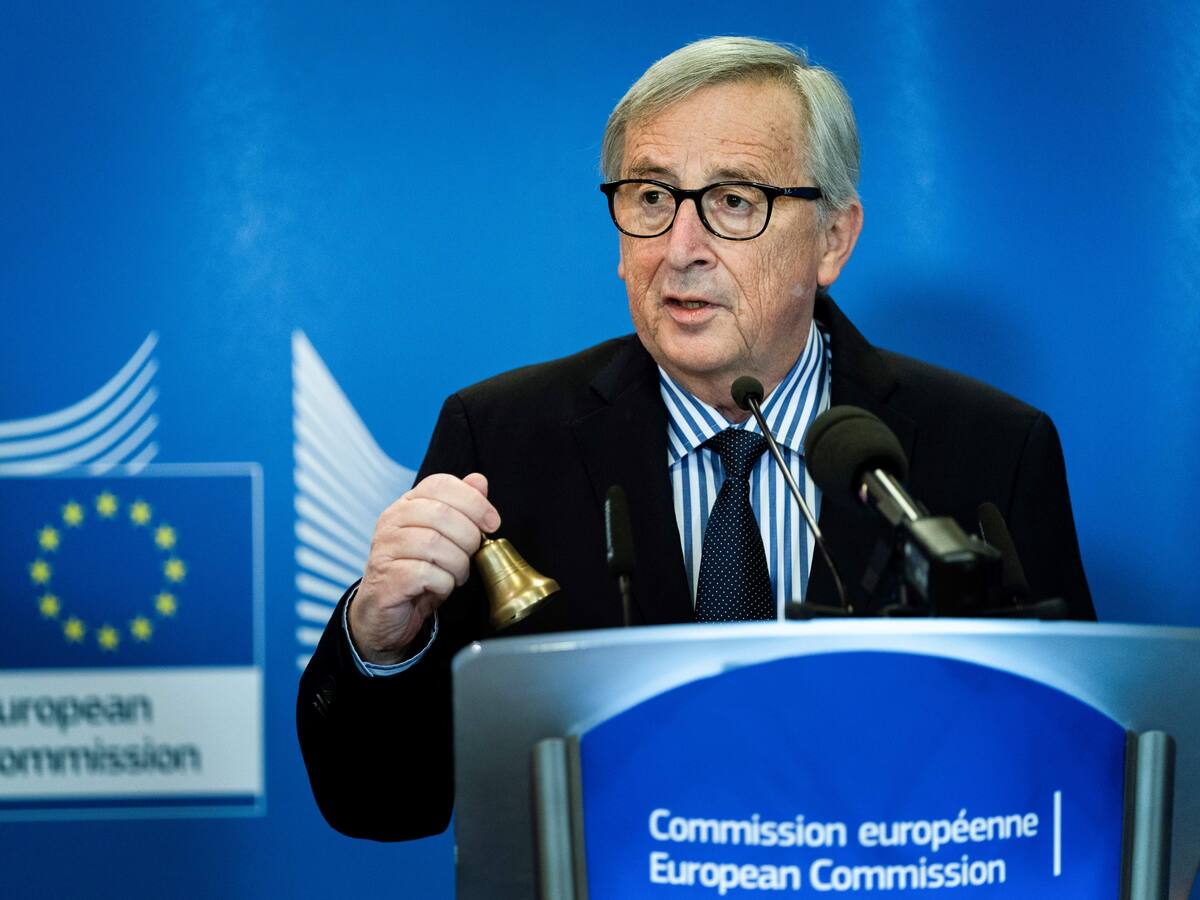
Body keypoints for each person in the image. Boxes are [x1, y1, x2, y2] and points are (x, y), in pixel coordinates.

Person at [297, 36, 1093, 842]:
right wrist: (380, 642)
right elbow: (384, 804)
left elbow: (1071, 778)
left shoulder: (990, 449)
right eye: (651, 198)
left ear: (833, 239)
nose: (680, 250)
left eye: (735, 201)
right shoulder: (502, 439)